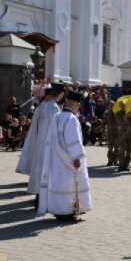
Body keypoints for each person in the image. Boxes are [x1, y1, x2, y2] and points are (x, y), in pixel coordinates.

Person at [38, 90, 92, 220]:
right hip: (69, 158)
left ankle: (59, 210)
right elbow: (73, 141)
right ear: (77, 105)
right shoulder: (72, 119)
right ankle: (70, 210)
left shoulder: (57, 116)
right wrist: (76, 158)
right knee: (69, 185)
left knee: (59, 184)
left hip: (56, 158)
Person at [16, 83, 64, 210]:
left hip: (39, 143)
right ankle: (45, 201)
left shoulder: (41, 107)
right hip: (49, 145)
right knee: (47, 171)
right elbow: (56, 130)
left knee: (40, 170)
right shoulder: (55, 109)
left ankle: (38, 198)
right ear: (60, 94)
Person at [115, 100, 129, 171]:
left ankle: (126, 165)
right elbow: (118, 122)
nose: (123, 106)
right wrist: (125, 116)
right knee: (122, 150)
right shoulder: (118, 114)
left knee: (128, 151)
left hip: (129, 134)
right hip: (122, 134)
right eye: (121, 105)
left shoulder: (129, 112)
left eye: (124, 105)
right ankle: (121, 165)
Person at [104, 100, 118, 166]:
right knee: (110, 147)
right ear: (108, 105)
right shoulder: (106, 113)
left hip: (117, 132)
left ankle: (116, 160)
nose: (112, 105)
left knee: (117, 147)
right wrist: (103, 130)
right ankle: (110, 160)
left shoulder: (117, 112)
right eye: (110, 104)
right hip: (110, 132)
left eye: (113, 104)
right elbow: (103, 123)